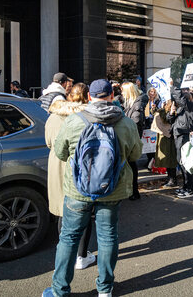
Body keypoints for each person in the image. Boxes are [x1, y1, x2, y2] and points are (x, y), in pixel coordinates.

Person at [43, 79, 142, 297]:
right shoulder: (126, 123)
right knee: (108, 237)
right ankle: (105, 289)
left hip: (77, 190)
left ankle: (60, 290)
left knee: (69, 238)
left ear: (90, 97)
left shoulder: (74, 121)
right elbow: (135, 155)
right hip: (112, 189)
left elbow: (60, 152)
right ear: (111, 96)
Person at [44, 83, 96, 271]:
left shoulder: (53, 116)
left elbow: (49, 142)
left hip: (57, 163)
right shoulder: (86, 117)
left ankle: (66, 252)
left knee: (61, 211)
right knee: (83, 213)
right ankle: (81, 256)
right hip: (79, 166)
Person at [168, 82, 193, 198]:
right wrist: (171, 113)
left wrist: (172, 86)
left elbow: (180, 98)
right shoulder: (182, 108)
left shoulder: (190, 105)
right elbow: (171, 120)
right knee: (181, 162)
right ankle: (186, 186)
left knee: (186, 162)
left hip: (185, 136)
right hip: (178, 136)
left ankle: (189, 188)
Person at [121, 82, 147, 201]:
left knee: (131, 164)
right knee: (130, 164)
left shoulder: (137, 105)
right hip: (130, 137)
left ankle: (134, 191)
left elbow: (135, 122)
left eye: (123, 91)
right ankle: (132, 190)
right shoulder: (131, 103)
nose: (121, 93)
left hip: (132, 138)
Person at [152, 101, 178, 187]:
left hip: (168, 138)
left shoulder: (172, 111)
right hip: (166, 137)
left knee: (170, 160)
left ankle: (172, 179)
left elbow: (167, 119)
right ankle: (170, 178)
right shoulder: (163, 111)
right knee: (168, 160)